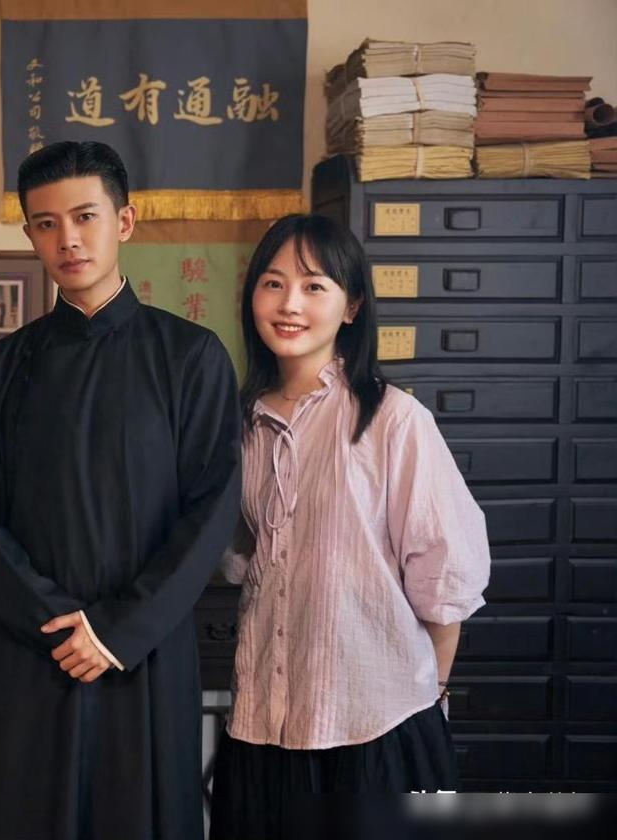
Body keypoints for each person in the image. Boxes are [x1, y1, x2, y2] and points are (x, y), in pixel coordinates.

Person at [0, 140, 242, 840]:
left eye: (85, 217)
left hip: (144, 649)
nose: (69, 239)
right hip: (38, 650)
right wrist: (55, 623)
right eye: (46, 224)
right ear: (30, 235)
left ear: (125, 221)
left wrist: (116, 631)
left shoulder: (191, 356)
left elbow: (212, 509)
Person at [209, 215, 491, 835]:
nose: (289, 304)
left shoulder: (394, 420)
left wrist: (433, 692)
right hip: (262, 725)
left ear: (352, 305)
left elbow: (445, 579)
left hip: (376, 724)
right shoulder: (238, 425)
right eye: (273, 283)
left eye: (314, 286)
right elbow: (239, 558)